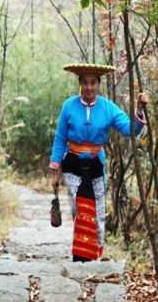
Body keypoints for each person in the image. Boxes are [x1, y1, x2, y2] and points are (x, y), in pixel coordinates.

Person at [49, 63, 148, 262]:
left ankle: (95, 253)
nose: (89, 87)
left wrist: (138, 109)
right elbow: (60, 137)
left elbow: (130, 130)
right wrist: (55, 169)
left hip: (95, 165)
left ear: (98, 85)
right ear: (80, 84)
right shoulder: (69, 105)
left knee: (98, 210)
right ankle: (81, 254)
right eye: (85, 82)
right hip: (73, 164)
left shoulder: (108, 108)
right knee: (80, 208)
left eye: (93, 83)